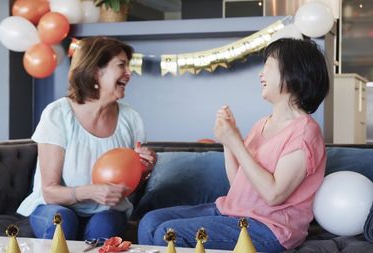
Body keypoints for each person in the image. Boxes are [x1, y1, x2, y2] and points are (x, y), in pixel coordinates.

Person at [137, 38, 329, 252]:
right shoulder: (261, 124)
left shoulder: (305, 132)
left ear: (294, 72)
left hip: (270, 228)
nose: (260, 74)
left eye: (268, 65)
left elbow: (274, 194)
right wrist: (228, 142)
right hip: (233, 211)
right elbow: (237, 183)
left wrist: (235, 142)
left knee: (168, 232)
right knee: (150, 221)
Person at [17, 36, 157, 241]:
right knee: (62, 221)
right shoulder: (58, 113)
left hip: (107, 210)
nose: (129, 73)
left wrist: (144, 169)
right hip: (55, 206)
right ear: (94, 71)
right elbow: (49, 191)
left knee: (105, 225)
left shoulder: (131, 117)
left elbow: (128, 181)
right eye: (121, 65)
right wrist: (90, 192)